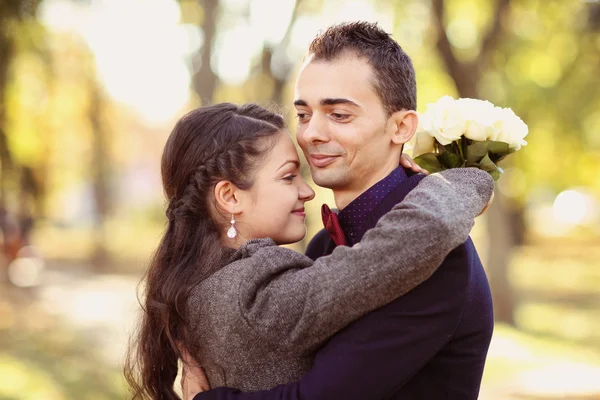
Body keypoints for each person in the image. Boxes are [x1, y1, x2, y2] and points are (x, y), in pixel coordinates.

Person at [187, 22, 495, 400]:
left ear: (401, 127)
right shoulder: (321, 245)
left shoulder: (435, 251)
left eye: (339, 115)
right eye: (303, 115)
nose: (311, 134)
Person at [123, 102, 493, 399]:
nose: (307, 191)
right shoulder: (255, 293)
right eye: (288, 176)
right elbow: (393, 251)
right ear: (230, 196)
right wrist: (461, 179)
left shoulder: (198, 286)